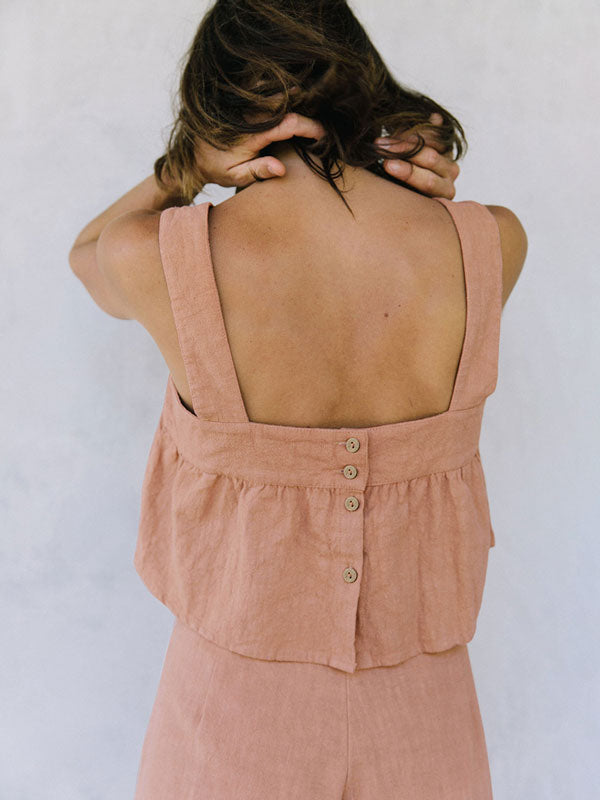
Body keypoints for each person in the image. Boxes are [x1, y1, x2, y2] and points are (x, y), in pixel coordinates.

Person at [69, 1, 528, 797]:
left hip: (228, 723)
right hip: (425, 724)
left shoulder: (154, 256)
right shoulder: (492, 242)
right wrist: (412, 168)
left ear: (218, 109)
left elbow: (85, 256)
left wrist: (182, 171)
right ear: (364, 85)